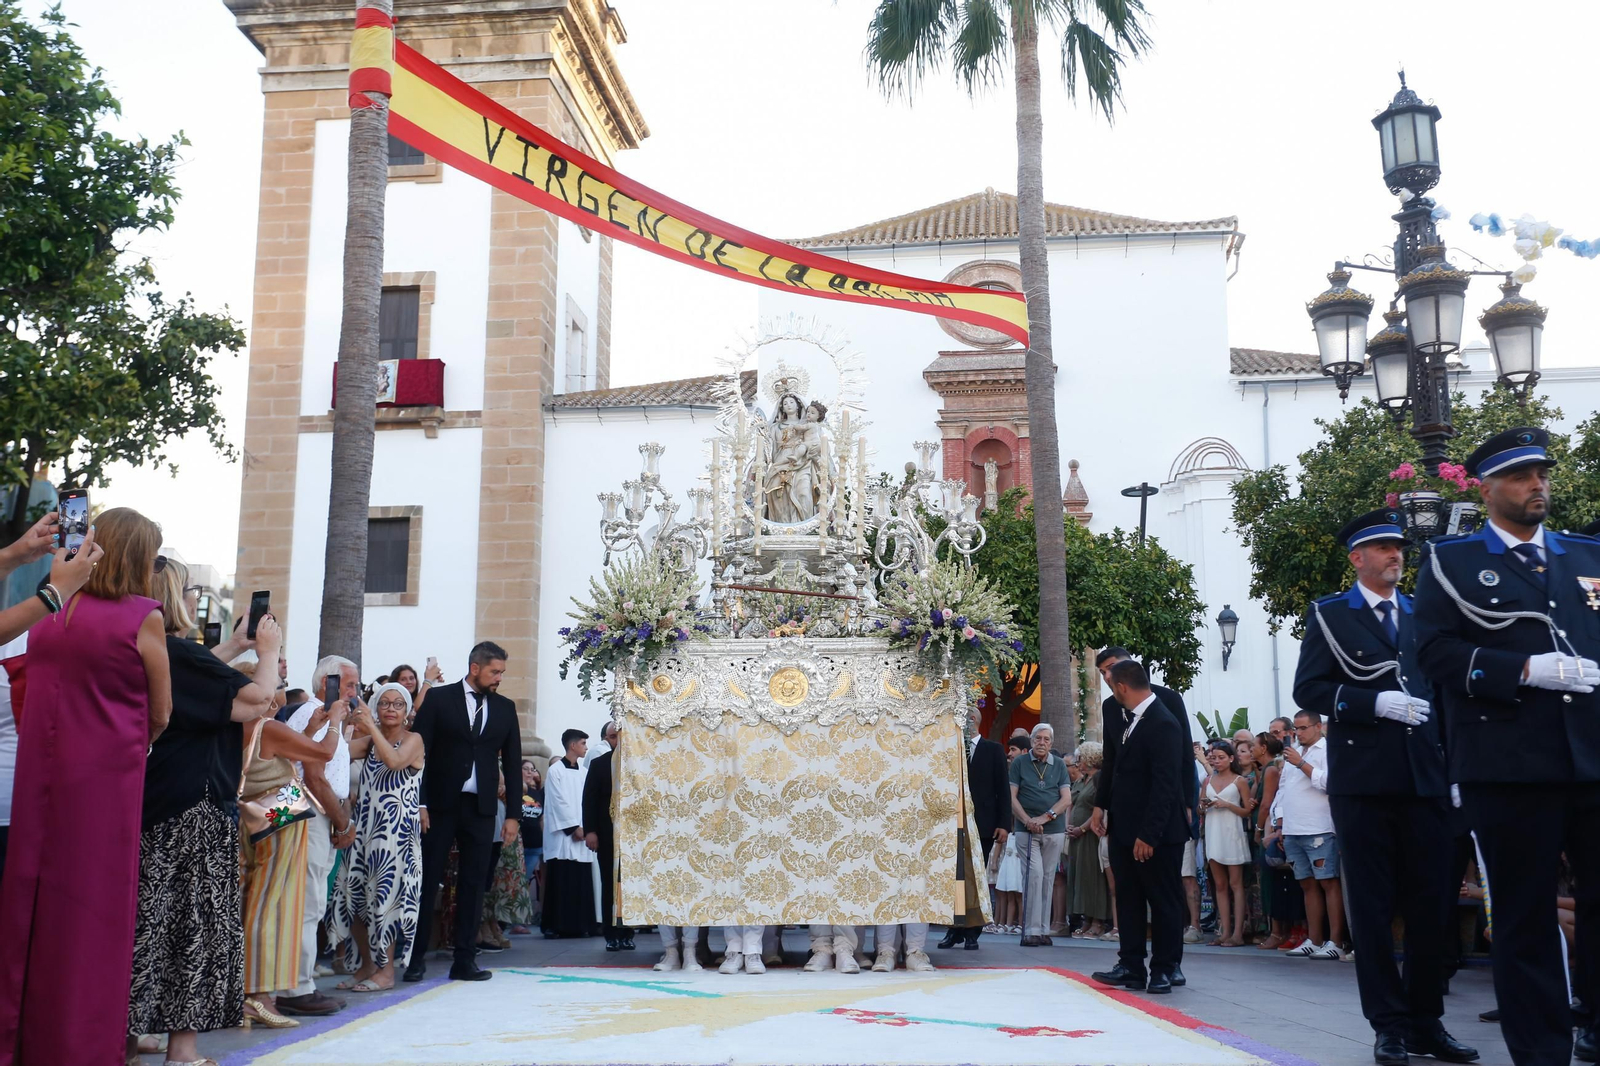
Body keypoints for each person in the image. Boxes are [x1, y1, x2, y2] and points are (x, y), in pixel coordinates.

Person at [1413, 427, 1600, 1065]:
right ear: (1487, 488)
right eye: (1521, 477)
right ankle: (1542, 1052)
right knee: (1524, 920)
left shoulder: (1586, 556)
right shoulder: (1451, 562)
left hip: (1592, 758)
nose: (1536, 485)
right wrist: (1521, 671)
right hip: (1510, 767)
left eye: (1542, 474)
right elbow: (1433, 652)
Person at [1294, 507, 1475, 1066]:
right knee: (1371, 912)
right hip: (1365, 782)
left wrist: (1455, 771)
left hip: (1425, 779)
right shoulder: (1330, 616)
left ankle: (1427, 1020)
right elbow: (1310, 688)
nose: (1397, 555)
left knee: (1433, 907)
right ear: (1358, 558)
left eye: (1399, 547)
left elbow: (1445, 697)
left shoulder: (1422, 615)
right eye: (1384, 548)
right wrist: (1372, 702)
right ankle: (1389, 1025)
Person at [0, 508, 168, 1066]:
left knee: (31, 905)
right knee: (94, 917)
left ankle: (22, 1040)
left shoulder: (47, 613)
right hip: (104, 786)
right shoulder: (143, 615)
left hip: (38, 778)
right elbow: (161, 712)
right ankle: (81, 1046)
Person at [125, 563, 281, 1066]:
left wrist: (234, 649)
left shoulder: (157, 652)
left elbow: (192, 684)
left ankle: (128, 1039)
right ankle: (183, 1052)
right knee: (195, 927)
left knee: (149, 923)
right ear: (173, 596)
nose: (197, 600)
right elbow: (255, 701)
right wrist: (269, 651)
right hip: (196, 805)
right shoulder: (180, 653)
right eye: (192, 592)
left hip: (158, 801)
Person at [405, 642, 522, 982]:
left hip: (482, 808)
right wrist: (421, 802)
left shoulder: (505, 708)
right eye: (494, 672)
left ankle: (465, 960)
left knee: (474, 884)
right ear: (475, 668)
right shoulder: (440, 700)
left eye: (501, 672)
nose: (499, 678)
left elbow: (513, 765)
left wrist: (512, 814)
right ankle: (415, 959)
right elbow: (418, 754)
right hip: (440, 805)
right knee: (428, 879)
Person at [238, 674, 344, 1029]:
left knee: (253, 903)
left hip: (250, 817)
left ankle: (250, 994)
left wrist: (315, 725)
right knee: (272, 908)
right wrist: (335, 724)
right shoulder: (267, 727)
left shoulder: (236, 724)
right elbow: (324, 755)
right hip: (278, 818)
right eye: (276, 680)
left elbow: (291, 750)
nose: (281, 686)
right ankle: (261, 997)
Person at [1089, 660, 1187, 995]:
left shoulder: (1163, 721)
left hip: (1155, 834)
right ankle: (1131, 965)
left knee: (1163, 901)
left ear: (1121, 687)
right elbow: (1113, 765)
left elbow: (1165, 785)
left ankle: (1164, 968)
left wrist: (1149, 834)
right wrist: (1102, 808)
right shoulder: (1128, 718)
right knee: (1128, 897)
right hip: (1124, 827)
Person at [327, 681, 424, 993]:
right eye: (385, 703)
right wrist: (341, 723)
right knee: (352, 896)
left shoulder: (414, 740)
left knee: (387, 900)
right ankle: (368, 964)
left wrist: (370, 727)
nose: (391, 709)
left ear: (407, 711)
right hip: (364, 829)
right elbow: (335, 755)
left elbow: (394, 761)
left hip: (396, 835)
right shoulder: (370, 741)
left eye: (398, 704)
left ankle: (386, 971)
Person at [276, 657, 357, 1019]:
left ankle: (299, 982)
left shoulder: (328, 718)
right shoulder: (312, 713)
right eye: (349, 685)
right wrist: (341, 821)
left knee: (312, 902)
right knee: (306, 903)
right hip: (307, 812)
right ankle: (295, 987)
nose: (354, 693)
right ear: (329, 682)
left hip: (318, 814)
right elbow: (313, 773)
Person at [1265, 710, 1347, 960]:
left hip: (1320, 828)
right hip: (1293, 829)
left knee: (1328, 883)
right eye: (1295, 730)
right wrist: (1280, 825)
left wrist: (1301, 763)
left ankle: (1336, 941)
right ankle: (1314, 939)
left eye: (1302, 728)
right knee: (1306, 885)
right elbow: (1283, 791)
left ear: (1317, 727)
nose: (1298, 734)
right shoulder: (1291, 756)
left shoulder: (1327, 750)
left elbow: (1330, 783)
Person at [939, 706, 1009, 950]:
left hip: (984, 825)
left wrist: (1004, 824)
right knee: (955, 877)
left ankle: (973, 931)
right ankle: (954, 929)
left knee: (975, 877)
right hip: (953, 825)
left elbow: (1003, 789)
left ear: (972, 720)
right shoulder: (950, 750)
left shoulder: (993, 750)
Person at [1008, 723, 1071, 947]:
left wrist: (1045, 818)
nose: (1042, 742)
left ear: (1051, 743)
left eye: (1046, 739)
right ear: (1032, 741)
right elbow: (1012, 796)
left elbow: (1066, 799)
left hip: (1053, 830)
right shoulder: (1020, 763)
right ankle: (1030, 931)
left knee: (1047, 878)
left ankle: (1043, 929)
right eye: (1038, 739)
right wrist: (1027, 821)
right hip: (1026, 830)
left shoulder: (1060, 766)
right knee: (1033, 876)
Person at [541, 729, 597, 940]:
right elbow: (557, 801)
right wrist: (573, 828)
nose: (585, 747)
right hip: (564, 835)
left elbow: (587, 801)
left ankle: (580, 925)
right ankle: (555, 925)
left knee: (580, 881)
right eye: (583, 743)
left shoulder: (584, 772)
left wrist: (587, 827)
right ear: (572, 745)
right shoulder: (555, 771)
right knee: (561, 879)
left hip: (582, 833)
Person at [582, 724, 632, 952]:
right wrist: (590, 830)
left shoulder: (636, 766)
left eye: (621, 736)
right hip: (606, 833)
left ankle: (628, 932)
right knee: (609, 884)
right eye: (613, 737)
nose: (617, 741)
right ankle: (611, 934)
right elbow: (589, 800)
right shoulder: (599, 764)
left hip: (633, 837)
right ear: (608, 739)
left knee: (629, 886)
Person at [1201, 740, 1251, 947]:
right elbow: (1199, 807)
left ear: (1231, 759)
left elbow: (1247, 810)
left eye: (1222, 758)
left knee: (1235, 884)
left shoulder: (1240, 781)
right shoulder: (1207, 780)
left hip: (1232, 833)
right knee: (1219, 885)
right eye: (1215, 758)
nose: (1217, 761)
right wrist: (1203, 805)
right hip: (1214, 833)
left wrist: (1227, 804)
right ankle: (1224, 932)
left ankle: (1238, 933)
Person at [1066, 741, 1111, 938]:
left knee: (1094, 878)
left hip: (1091, 835)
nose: (1078, 763)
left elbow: (1097, 808)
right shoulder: (1081, 781)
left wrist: (1082, 828)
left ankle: (1098, 921)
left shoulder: (1098, 780)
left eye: (1081, 759)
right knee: (1080, 877)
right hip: (1076, 836)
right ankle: (1085, 919)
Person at [519, 760, 544, 909]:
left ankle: (519, 920)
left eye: (532, 769)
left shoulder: (536, 794)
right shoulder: (514, 790)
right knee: (517, 881)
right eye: (526, 769)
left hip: (535, 845)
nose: (530, 772)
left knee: (524, 880)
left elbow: (541, 818)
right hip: (519, 843)